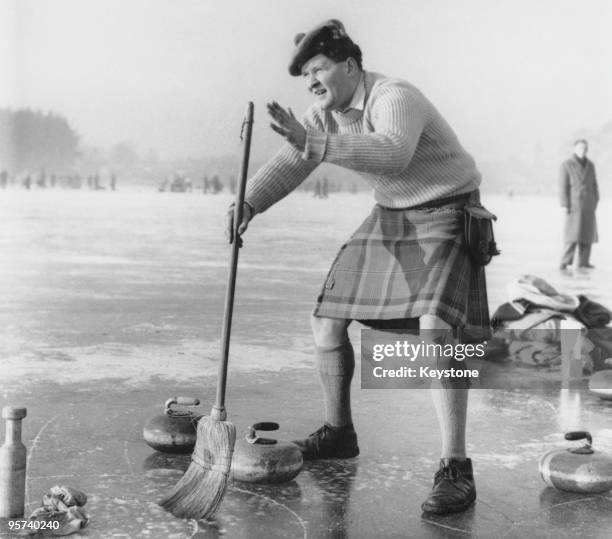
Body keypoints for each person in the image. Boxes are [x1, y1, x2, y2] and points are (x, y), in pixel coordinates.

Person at [225, 19, 490, 515]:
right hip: (393, 215)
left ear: (350, 65)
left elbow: (392, 152)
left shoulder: (394, 95)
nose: (311, 83)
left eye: (319, 69)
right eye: (306, 76)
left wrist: (314, 141)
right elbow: (292, 161)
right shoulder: (326, 112)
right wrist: (248, 203)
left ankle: (456, 466)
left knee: (437, 330)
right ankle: (339, 432)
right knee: (325, 320)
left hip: (448, 211)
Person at [559, 139, 599, 272]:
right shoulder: (567, 164)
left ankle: (584, 263)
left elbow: (594, 184)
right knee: (572, 237)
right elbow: (563, 186)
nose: (583, 150)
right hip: (574, 205)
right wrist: (565, 204)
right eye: (580, 148)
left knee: (587, 236)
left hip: (588, 205)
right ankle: (564, 263)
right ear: (575, 149)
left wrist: (595, 199)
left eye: (585, 148)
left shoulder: (590, 165)